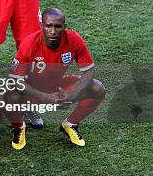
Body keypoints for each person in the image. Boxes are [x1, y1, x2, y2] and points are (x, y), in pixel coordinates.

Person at [8, 8, 106, 147]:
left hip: (57, 86)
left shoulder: (74, 39)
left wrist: (72, 94)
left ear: (64, 27)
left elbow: (89, 71)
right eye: (49, 26)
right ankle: (19, 127)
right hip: (32, 91)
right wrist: (44, 97)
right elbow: (15, 79)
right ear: (41, 25)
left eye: (58, 26)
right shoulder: (30, 42)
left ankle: (70, 124)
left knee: (98, 88)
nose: (53, 31)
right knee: (8, 94)